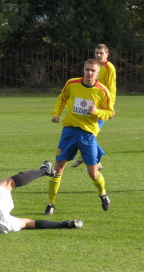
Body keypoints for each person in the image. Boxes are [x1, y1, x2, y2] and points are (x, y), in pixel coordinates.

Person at [44, 58, 114, 216]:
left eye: (93, 70)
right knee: (58, 168)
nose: (89, 73)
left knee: (93, 173)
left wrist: (96, 112)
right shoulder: (72, 84)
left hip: (88, 134)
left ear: (97, 73)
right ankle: (51, 204)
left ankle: (103, 193)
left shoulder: (102, 91)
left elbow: (110, 112)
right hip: (69, 131)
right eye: (87, 69)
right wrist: (56, 114)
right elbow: (62, 98)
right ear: (83, 70)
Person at [72, 44, 117, 169]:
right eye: (96, 53)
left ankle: (95, 161)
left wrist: (110, 107)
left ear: (107, 54)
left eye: (101, 53)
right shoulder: (94, 67)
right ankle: (88, 157)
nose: (98, 55)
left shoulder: (109, 68)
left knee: (89, 133)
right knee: (84, 130)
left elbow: (111, 88)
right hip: (90, 103)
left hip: (101, 106)